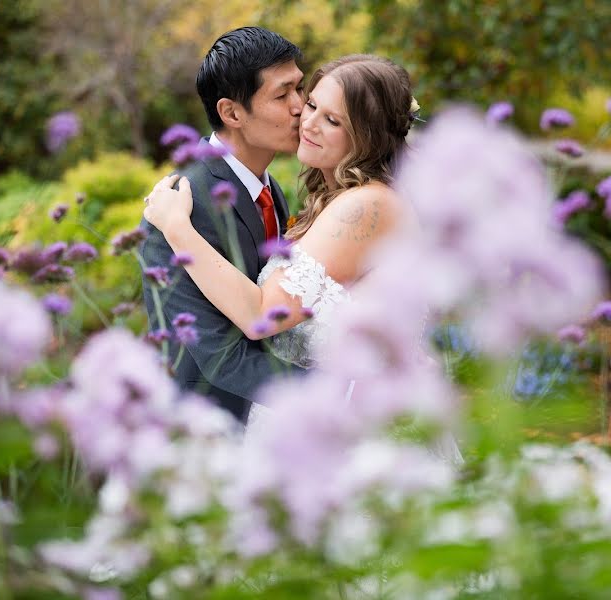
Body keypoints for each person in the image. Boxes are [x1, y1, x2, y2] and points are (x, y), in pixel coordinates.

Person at [143, 54, 419, 427]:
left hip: (345, 420)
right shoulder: (334, 198)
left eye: (332, 120)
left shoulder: (364, 206)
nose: (307, 122)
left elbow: (261, 315)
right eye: (312, 104)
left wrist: (178, 230)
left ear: (368, 136)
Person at [139, 27, 306, 424]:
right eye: (282, 96)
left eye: (300, 88)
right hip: (206, 431)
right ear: (232, 112)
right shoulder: (180, 205)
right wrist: (339, 397)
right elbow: (219, 356)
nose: (301, 107)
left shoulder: (270, 188)